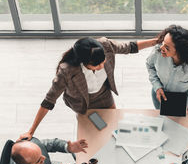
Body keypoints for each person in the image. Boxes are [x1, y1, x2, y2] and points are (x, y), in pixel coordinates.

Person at [19, 37, 157, 141]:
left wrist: (157, 41)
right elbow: (48, 101)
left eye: (103, 61)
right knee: (98, 131)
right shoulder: (67, 71)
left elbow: (130, 47)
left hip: (104, 95)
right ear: (83, 62)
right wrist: (31, 131)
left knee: (115, 126)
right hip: (83, 103)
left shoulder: (105, 45)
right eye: (96, 65)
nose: (102, 66)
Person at [146, 25, 188, 110]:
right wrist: (157, 86)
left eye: (167, 47)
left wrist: (186, 104)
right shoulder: (158, 51)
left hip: (185, 101)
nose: (161, 47)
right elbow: (150, 65)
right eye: (163, 42)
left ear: (180, 51)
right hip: (160, 96)